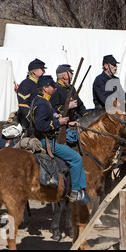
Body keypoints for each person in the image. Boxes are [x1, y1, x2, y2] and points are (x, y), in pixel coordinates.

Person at [31, 75, 92, 205]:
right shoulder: (42, 103)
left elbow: (49, 117)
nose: (54, 88)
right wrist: (58, 122)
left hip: (46, 138)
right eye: (52, 86)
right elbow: (40, 125)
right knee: (76, 159)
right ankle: (76, 191)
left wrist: (67, 122)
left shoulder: (41, 100)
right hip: (45, 141)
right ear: (45, 88)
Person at [16, 58, 46, 129]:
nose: (44, 72)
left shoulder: (39, 84)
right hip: (28, 122)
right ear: (34, 72)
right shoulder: (26, 84)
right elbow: (23, 106)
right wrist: (33, 120)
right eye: (42, 69)